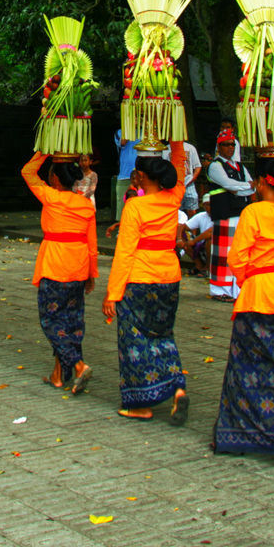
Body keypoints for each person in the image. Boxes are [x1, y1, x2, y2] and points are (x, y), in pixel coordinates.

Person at [211, 146, 274, 468]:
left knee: (246, 369)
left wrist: (253, 276)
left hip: (259, 297)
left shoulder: (253, 213)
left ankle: (239, 434)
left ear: (264, 183)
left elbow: (236, 260)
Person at [101, 145, 188, 422]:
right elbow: (181, 167)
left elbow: (124, 252)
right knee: (163, 334)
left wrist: (112, 293)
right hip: (168, 276)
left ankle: (140, 404)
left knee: (135, 341)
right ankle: (176, 387)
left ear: (139, 176)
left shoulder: (135, 206)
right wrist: (175, 140)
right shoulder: (174, 198)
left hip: (140, 278)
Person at [21, 152, 98, 393]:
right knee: (72, 322)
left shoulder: (52, 197)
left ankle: (77, 365)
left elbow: (27, 172)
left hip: (55, 265)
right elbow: (92, 245)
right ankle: (58, 375)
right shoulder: (85, 204)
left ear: (55, 179)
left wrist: (43, 151)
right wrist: (91, 274)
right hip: (78, 266)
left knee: (51, 321)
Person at [205, 125, 254, 301]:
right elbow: (230, 185)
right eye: (226, 145)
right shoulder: (215, 166)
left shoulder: (240, 166)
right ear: (219, 147)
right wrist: (244, 188)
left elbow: (247, 186)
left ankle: (237, 288)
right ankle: (219, 290)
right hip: (224, 213)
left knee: (239, 252)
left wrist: (242, 188)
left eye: (232, 145)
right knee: (222, 252)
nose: (230, 148)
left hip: (240, 213)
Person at [163, 140, 203, 213]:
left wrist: (192, 179)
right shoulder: (165, 150)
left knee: (192, 210)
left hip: (189, 185)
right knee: (176, 211)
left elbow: (198, 166)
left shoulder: (190, 148)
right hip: (174, 186)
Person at [113, 129, 139, 219]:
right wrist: (130, 125)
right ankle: (121, 229)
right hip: (125, 175)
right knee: (122, 205)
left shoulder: (144, 130)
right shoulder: (120, 132)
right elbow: (123, 142)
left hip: (141, 175)